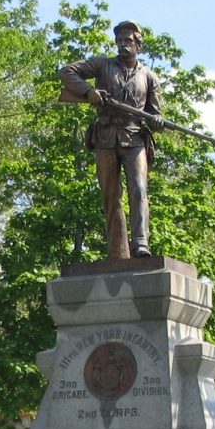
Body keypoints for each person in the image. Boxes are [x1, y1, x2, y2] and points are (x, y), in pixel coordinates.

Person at [58, 20, 161, 260]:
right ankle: (117, 250)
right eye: (120, 40)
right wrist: (89, 92)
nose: (123, 44)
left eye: (128, 40)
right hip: (105, 137)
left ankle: (141, 243)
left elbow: (155, 113)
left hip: (134, 138)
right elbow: (66, 72)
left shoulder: (149, 76)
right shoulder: (102, 65)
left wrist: (157, 121)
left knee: (139, 189)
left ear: (138, 45)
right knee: (110, 195)